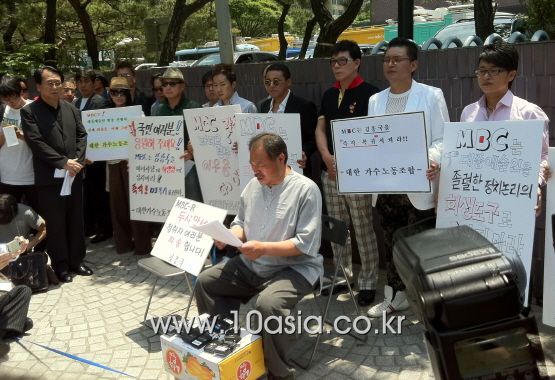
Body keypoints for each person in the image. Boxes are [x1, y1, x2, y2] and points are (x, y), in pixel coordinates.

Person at [196, 133, 322, 380]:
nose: (255, 171)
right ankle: (227, 349)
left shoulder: (306, 190)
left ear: (281, 159)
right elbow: (240, 222)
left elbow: (305, 244)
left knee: (268, 304)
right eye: (252, 165)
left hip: (295, 267)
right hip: (253, 263)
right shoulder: (253, 186)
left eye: (261, 165)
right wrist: (230, 235)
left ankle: (279, 372)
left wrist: (263, 248)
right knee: (206, 282)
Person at [365, 38, 449, 318]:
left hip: (418, 183)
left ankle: (429, 302)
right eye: (386, 59)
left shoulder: (431, 95)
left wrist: (432, 160)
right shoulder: (375, 100)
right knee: (392, 241)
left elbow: (442, 138)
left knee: (421, 244)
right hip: (387, 186)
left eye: (397, 59)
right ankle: (395, 296)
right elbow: (370, 143)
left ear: (413, 65)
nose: (390, 64)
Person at [314, 40, 380, 306]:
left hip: (358, 173)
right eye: (333, 62)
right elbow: (320, 129)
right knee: (338, 228)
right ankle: (344, 275)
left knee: (363, 227)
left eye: (342, 61)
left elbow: (374, 135)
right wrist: (327, 157)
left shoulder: (370, 94)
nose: (337, 66)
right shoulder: (329, 94)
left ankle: (368, 281)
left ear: (357, 62)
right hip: (330, 172)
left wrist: (344, 161)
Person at [20, 66, 91, 283]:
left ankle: (77, 260)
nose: (55, 87)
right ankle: (61, 265)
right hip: (50, 178)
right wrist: (62, 162)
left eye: (58, 82)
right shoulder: (30, 111)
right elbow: (35, 142)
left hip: (74, 175)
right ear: (39, 86)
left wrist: (77, 161)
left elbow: (82, 134)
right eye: (49, 83)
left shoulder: (70, 108)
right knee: (56, 223)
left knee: (76, 219)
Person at [460, 42, 550, 203]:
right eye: (482, 71)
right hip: (475, 199)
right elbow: (461, 156)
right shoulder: (468, 112)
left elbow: (543, 157)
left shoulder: (529, 113)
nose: (486, 76)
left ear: (511, 75)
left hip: (513, 199)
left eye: (494, 70)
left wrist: (534, 185)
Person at [106, 77, 152, 256]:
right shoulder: (105, 116)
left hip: (133, 163)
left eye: (122, 92)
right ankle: (123, 244)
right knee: (117, 204)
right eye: (114, 92)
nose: (118, 96)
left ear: (128, 93)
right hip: (112, 163)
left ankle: (142, 245)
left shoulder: (137, 113)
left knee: (137, 203)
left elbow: (144, 138)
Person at [153, 67, 203, 203]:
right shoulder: (157, 110)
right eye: (164, 84)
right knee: (169, 206)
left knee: (194, 205)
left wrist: (192, 153)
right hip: (165, 166)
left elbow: (203, 139)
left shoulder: (194, 107)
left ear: (182, 86)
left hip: (189, 166)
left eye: (173, 83)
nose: (168, 87)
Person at [258, 63, 317, 177]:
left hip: (295, 169)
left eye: (276, 81)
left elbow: (312, 139)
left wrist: (304, 152)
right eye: (267, 82)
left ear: (288, 82)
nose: (271, 85)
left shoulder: (304, 106)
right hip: (269, 168)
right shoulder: (263, 106)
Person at [73, 69, 112, 243]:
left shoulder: (100, 102)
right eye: (80, 81)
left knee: (99, 194)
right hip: (81, 156)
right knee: (87, 195)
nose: (83, 85)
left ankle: (104, 229)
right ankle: (89, 226)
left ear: (94, 82)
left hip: (96, 157)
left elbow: (103, 132)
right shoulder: (76, 102)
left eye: (86, 81)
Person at [0, 77, 38, 212]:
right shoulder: (2, 111)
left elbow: (43, 143)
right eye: (5, 99)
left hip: (31, 175)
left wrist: (22, 135)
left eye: (13, 97)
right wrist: (5, 134)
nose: (10, 102)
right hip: (7, 175)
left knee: (37, 215)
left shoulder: (35, 109)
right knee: (8, 216)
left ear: (21, 92)